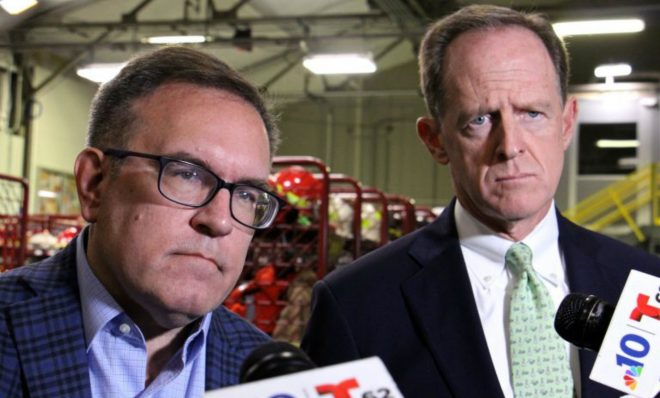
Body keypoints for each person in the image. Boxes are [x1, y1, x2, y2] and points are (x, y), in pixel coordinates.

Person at [301, 5, 660, 398]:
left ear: (567, 123)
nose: (510, 146)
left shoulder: (642, 284)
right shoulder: (356, 306)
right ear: (434, 140)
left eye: (532, 113)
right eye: (480, 120)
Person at [0, 46, 285, 396]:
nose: (221, 221)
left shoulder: (272, 379)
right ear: (95, 185)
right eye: (187, 174)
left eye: (246, 194)